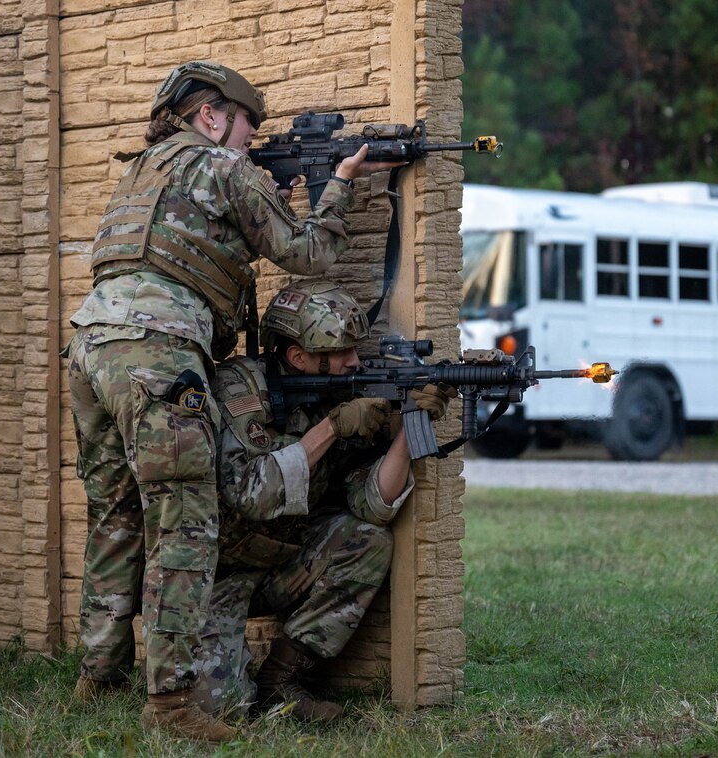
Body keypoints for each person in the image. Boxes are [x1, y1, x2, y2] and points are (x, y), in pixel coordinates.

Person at [66, 61, 397, 742]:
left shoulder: (143, 170)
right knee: (185, 525)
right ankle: (172, 706)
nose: (253, 140)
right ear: (212, 115)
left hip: (92, 344)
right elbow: (307, 254)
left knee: (116, 514)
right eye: (250, 125)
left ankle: (97, 678)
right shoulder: (223, 167)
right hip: (158, 351)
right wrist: (337, 186)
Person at [195, 279, 454, 722]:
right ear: (299, 358)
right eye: (344, 353)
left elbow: (372, 505)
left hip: (285, 562)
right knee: (220, 710)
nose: (356, 362)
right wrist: (332, 428)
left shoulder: (338, 396)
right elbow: (251, 494)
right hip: (216, 575)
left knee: (368, 541)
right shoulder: (239, 393)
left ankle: (279, 683)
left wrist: (412, 422)